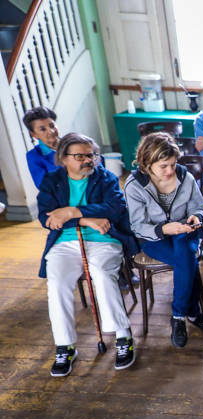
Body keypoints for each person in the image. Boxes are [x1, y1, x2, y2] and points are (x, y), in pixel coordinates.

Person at [37, 133, 139, 376]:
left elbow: (115, 208)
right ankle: (65, 345)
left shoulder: (105, 178)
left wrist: (72, 211)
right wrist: (84, 219)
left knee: (103, 275)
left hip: (105, 240)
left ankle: (123, 337)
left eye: (91, 154)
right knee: (57, 283)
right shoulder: (52, 181)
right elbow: (47, 218)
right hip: (64, 243)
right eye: (80, 156)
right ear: (64, 158)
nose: (88, 160)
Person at [124, 132, 203, 349]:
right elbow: (137, 226)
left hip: (186, 230)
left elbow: (199, 207)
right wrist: (163, 228)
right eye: (164, 166)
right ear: (147, 163)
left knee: (183, 251)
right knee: (186, 260)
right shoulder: (134, 185)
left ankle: (178, 317)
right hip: (153, 238)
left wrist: (197, 217)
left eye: (173, 164)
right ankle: (193, 314)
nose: (170, 171)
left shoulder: (185, 177)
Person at [23, 106, 60, 188]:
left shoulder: (73, 144)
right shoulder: (33, 156)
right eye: (43, 129)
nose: (51, 131)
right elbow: (44, 186)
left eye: (52, 125)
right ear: (34, 134)